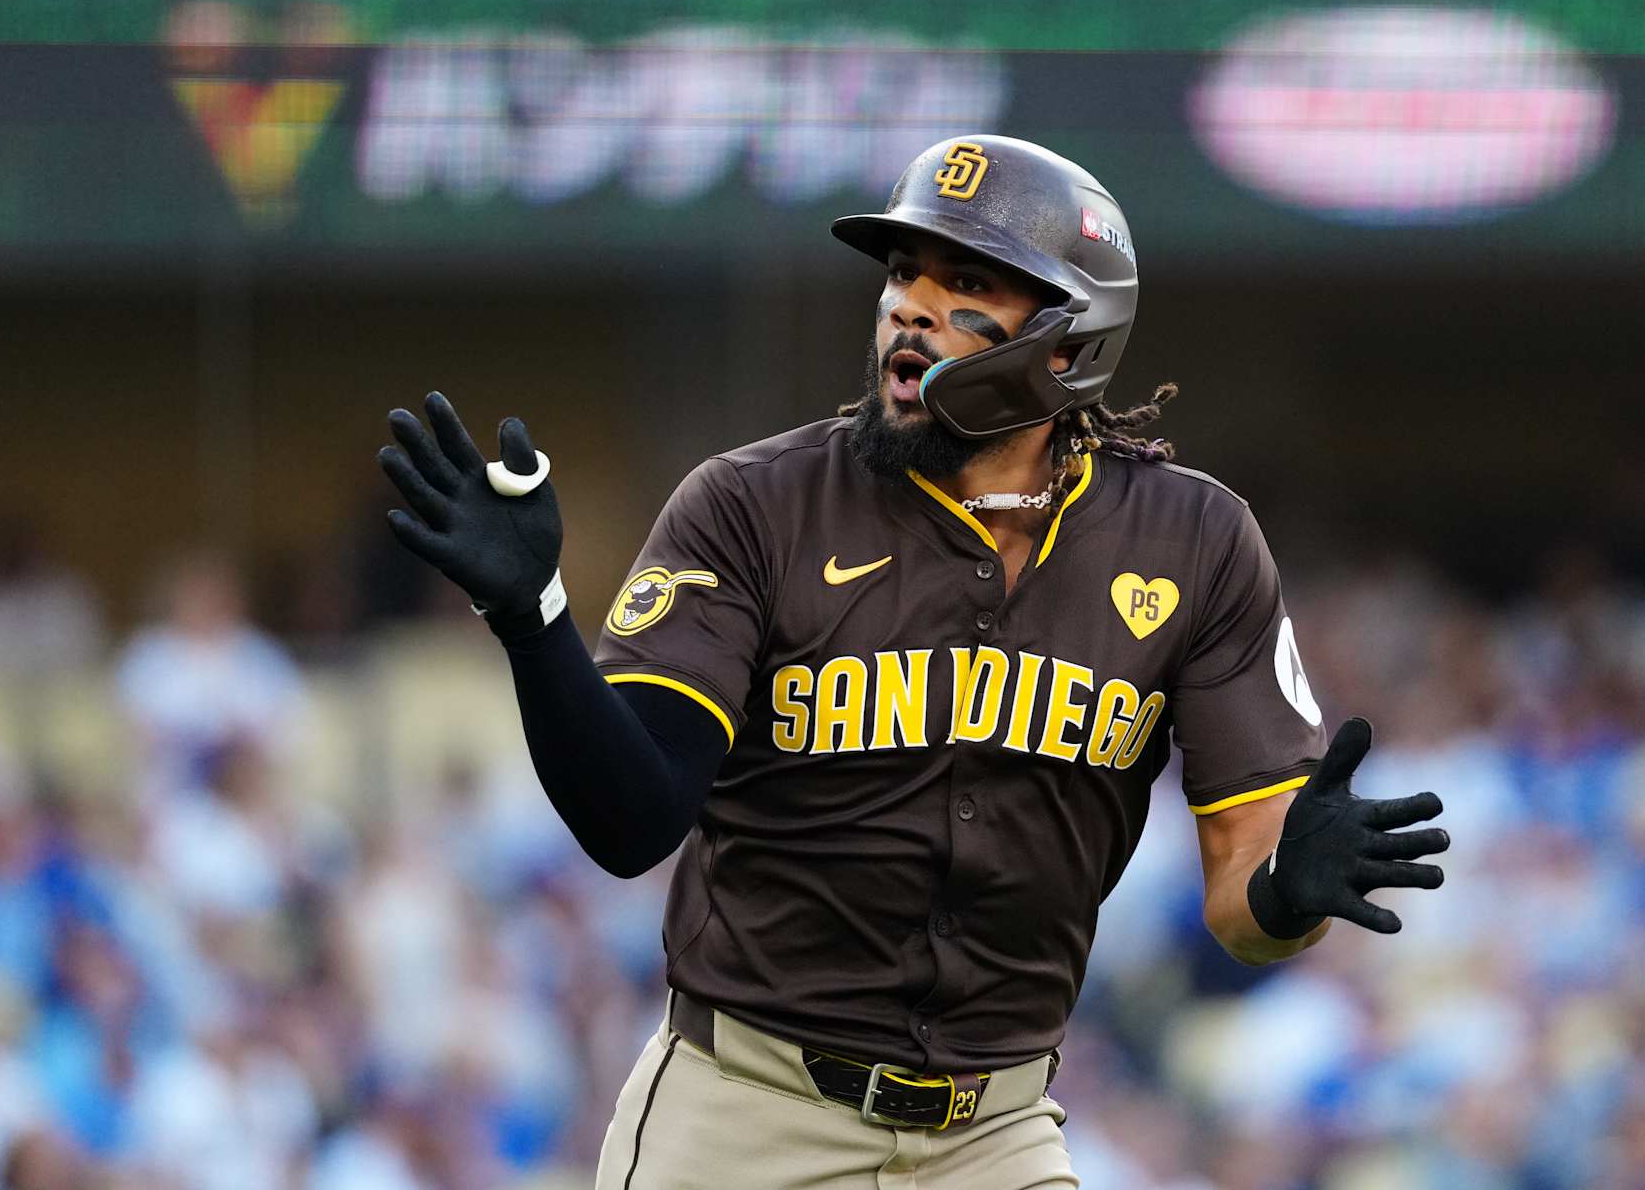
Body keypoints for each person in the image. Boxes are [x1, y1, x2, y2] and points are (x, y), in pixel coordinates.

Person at [376, 135, 1450, 1189]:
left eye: (966, 279)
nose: (911, 304)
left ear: (1073, 340)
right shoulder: (755, 504)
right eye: (902, 271)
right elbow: (632, 820)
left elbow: (1243, 902)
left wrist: (1288, 895)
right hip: (748, 1115)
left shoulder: (1195, 542)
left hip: (998, 1129)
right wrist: (535, 616)